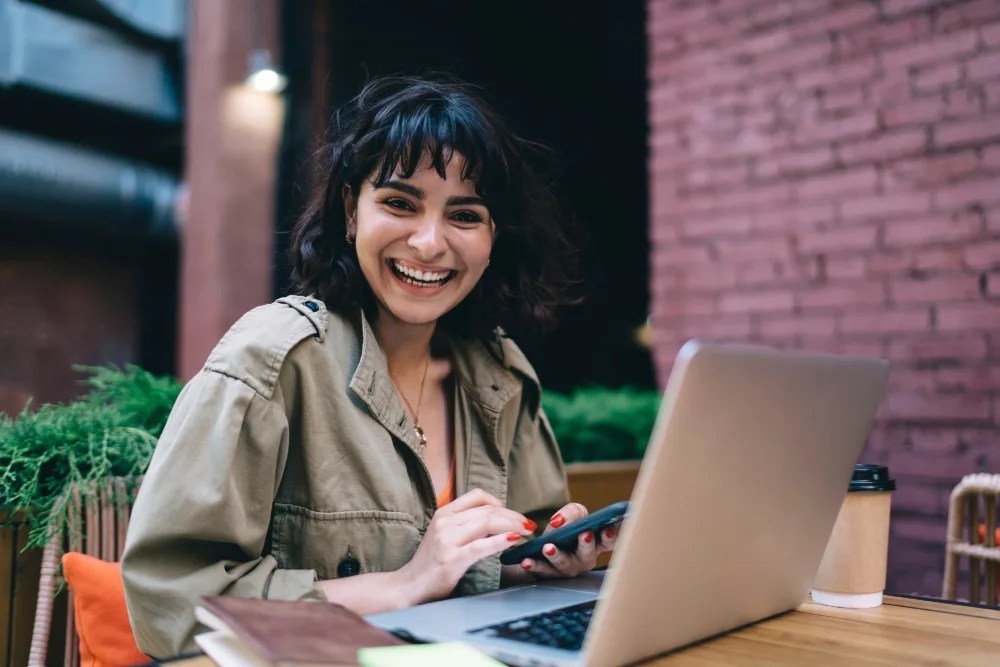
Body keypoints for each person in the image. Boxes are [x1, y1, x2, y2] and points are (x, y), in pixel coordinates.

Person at [121, 75, 618, 659]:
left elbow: (502, 562)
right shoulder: (271, 357)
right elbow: (169, 602)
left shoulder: (502, 372)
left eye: (464, 215)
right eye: (400, 204)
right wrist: (404, 584)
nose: (429, 243)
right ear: (350, 211)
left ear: (494, 236)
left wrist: (538, 563)